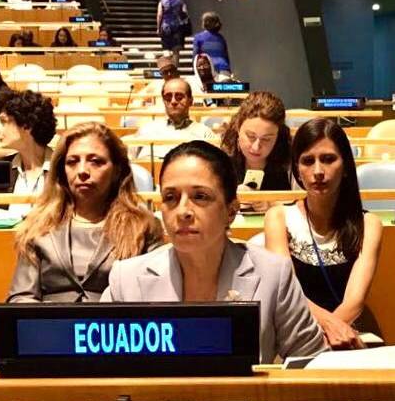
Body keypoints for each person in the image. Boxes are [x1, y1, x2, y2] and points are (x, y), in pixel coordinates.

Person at [100, 141, 327, 363]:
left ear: (231, 211)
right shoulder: (126, 280)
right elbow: (99, 371)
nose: (183, 211)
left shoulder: (273, 275)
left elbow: (312, 363)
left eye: (200, 197)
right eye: (170, 197)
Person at [7, 122, 163, 303]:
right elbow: (21, 297)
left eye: (95, 161)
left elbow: (156, 297)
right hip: (50, 320)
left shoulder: (143, 227)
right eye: (72, 162)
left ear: (117, 169)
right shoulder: (37, 226)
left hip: (116, 320)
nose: (82, 171)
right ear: (62, 171)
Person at [265, 118, 383, 350]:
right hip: (296, 335)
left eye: (328, 159)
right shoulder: (278, 218)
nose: (318, 171)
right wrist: (326, 332)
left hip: (349, 336)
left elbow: (355, 301)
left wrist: (332, 336)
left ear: (346, 166)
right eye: (308, 161)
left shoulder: (369, 224)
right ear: (297, 169)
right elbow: (288, 294)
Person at [221, 91, 293, 192]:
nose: (256, 147)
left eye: (266, 139)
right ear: (238, 128)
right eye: (251, 136)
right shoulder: (222, 160)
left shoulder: (291, 163)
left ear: (278, 136)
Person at [134, 77, 214, 160]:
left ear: (190, 101)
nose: (173, 101)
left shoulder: (205, 134)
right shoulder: (146, 130)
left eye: (179, 97)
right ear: (163, 101)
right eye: (168, 97)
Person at [157, 0, 188, 67]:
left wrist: (158, 28)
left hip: (165, 27)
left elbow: (159, 15)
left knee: (166, 48)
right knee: (176, 51)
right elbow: (185, 15)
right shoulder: (181, 2)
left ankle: (168, 66)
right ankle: (175, 69)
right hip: (177, 28)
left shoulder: (162, 2)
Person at [192, 11, 231, 77]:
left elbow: (195, 57)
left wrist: (195, 70)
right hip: (223, 68)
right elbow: (226, 56)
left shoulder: (198, 37)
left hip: (207, 69)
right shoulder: (221, 38)